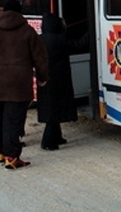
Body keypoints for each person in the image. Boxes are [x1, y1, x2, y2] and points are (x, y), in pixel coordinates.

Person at [0, 0, 49, 169]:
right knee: (13, 120)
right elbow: (40, 58)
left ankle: (0, 152)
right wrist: (42, 77)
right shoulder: (28, 31)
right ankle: (12, 157)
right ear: (20, 12)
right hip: (19, 85)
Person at [38, 13, 78, 150]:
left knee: (51, 108)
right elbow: (78, 45)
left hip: (44, 78)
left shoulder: (40, 39)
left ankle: (57, 136)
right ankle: (48, 142)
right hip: (59, 78)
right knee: (55, 110)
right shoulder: (60, 39)